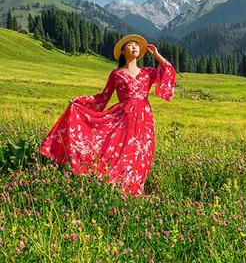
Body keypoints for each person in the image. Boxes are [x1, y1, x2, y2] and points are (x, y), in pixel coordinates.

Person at [39, 34, 176, 196]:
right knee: (123, 152)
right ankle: (119, 187)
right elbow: (102, 98)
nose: (134, 47)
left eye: (136, 45)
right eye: (130, 45)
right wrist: (81, 101)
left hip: (145, 119)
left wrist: (157, 55)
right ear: (123, 52)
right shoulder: (116, 74)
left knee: (142, 152)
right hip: (122, 118)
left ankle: (135, 189)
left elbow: (169, 71)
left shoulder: (148, 72)